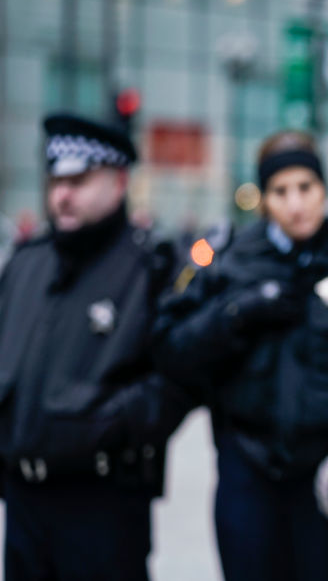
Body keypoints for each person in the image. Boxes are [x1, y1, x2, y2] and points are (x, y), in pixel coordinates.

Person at [155, 130, 328, 581]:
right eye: (280, 191)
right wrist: (235, 313)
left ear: (323, 189)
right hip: (247, 470)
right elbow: (173, 350)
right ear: (264, 198)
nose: (295, 203)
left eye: (305, 188)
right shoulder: (231, 260)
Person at [0, 113, 194, 581]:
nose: (62, 194)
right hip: (24, 504)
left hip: (103, 504)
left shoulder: (150, 265)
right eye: (56, 181)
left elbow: (181, 376)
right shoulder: (27, 263)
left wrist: (112, 424)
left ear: (119, 181)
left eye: (79, 180)